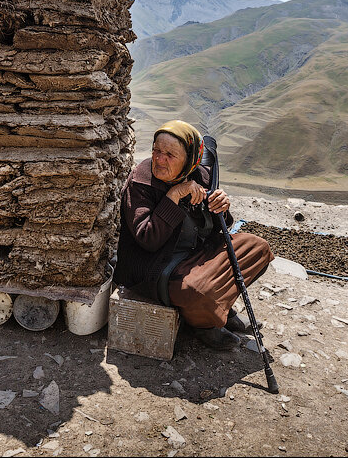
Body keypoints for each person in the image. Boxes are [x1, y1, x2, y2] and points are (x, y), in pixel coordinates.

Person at [114, 120, 275, 350]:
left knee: (258, 250)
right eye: (157, 151)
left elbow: (218, 226)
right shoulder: (141, 182)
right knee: (197, 290)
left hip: (196, 254)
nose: (160, 159)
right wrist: (174, 196)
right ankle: (204, 326)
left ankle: (220, 308)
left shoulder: (200, 174)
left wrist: (222, 206)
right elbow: (148, 240)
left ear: (190, 159)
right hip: (158, 268)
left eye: (170, 154)